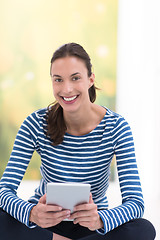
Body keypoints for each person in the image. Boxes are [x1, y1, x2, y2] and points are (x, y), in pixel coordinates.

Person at [0, 43, 156, 240]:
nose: (66, 89)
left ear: (90, 79)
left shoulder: (117, 127)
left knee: (143, 229)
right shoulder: (35, 123)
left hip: (91, 226)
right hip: (44, 227)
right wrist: (32, 214)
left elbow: (135, 203)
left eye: (75, 78)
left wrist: (99, 219)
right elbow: (3, 190)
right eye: (58, 80)